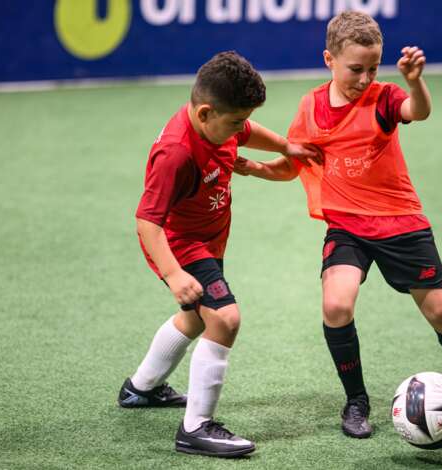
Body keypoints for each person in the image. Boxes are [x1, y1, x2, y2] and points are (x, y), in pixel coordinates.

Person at [234, 11, 442, 439]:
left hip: (401, 222)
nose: (364, 78)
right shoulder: (311, 107)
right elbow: (293, 165)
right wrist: (252, 167)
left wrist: (415, 80)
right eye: (355, 69)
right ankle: (356, 401)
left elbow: (417, 111)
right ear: (329, 58)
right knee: (336, 305)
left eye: (372, 68)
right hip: (347, 227)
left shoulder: (383, 98)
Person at [116, 51, 318, 458]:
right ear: (205, 113)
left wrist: (285, 145)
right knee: (225, 318)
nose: (240, 131)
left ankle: (141, 388)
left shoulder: (219, 125)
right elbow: (147, 223)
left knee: (194, 318)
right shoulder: (176, 153)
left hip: (208, 239)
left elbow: (247, 131)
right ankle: (196, 428)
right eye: (234, 123)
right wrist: (175, 275)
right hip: (179, 243)